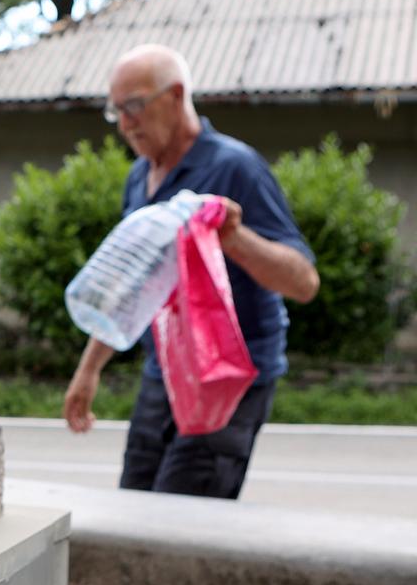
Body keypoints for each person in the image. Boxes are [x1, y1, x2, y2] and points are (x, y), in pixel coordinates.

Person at [63, 45, 320, 498]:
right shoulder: (138, 177)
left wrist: (235, 238)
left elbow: (303, 282)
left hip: (231, 376)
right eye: (116, 111)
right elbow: (134, 285)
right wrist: (89, 370)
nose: (125, 124)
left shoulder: (235, 167)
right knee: (135, 502)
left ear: (176, 95)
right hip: (165, 370)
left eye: (135, 107)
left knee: (183, 518)